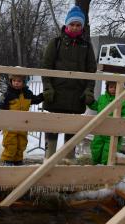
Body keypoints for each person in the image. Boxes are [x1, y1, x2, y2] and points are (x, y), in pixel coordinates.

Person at [41, 5, 97, 163]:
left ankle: (68, 160)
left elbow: (91, 71)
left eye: (78, 25)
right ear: (66, 24)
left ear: (82, 26)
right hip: (55, 95)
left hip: (76, 96)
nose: (75, 27)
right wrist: (48, 87)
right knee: (52, 127)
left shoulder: (86, 46)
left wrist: (88, 91)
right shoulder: (55, 43)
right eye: (72, 24)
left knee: (72, 129)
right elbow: (46, 67)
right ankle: (48, 158)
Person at [0, 74, 44, 166]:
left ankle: (18, 160)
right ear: (11, 82)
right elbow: (1, 109)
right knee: (10, 143)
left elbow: (35, 100)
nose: (16, 83)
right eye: (14, 81)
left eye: (19, 81)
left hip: (23, 124)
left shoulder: (27, 94)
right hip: (10, 125)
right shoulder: (7, 94)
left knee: (21, 143)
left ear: (23, 82)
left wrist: (44, 95)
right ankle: (8, 160)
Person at [88, 81, 125, 165]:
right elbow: (96, 106)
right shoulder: (102, 98)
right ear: (107, 88)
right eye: (111, 87)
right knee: (96, 149)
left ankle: (105, 169)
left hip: (113, 132)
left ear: (122, 88)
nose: (113, 89)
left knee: (108, 152)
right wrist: (91, 102)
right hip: (100, 130)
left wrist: (122, 122)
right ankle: (95, 165)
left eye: (116, 87)